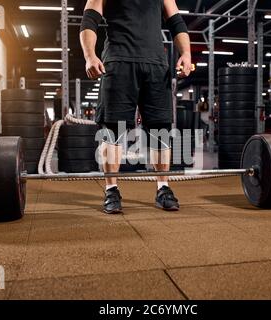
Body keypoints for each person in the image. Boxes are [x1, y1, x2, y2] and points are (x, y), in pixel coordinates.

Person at [80, 0, 192, 214]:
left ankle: (163, 188)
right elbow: (89, 20)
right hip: (118, 62)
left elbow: (177, 23)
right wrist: (89, 55)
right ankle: (111, 189)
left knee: (161, 129)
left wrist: (186, 54)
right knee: (113, 129)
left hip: (156, 65)